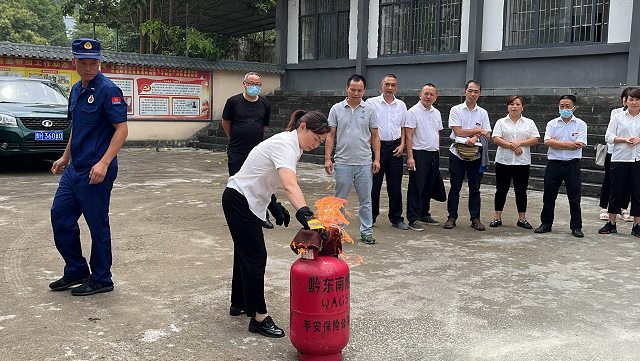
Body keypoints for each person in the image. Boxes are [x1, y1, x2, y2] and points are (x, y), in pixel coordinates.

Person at [222, 110, 330, 338]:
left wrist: (273, 204)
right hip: (240, 200)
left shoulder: (291, 144)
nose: (316, 145)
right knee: (255, 256)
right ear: (303, 128)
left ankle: (239, 302)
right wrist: (307, 215)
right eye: (316, 139)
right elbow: (291, 185)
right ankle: (259, 317)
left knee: (245, 252)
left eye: (321, 142)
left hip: (244, 198)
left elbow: (262, 173)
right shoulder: (285, 145)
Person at [48, 38, 128, 296]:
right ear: (74, 62)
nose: (88, 66)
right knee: (60, 218)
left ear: (99, 61)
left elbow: (122, 130)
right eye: (82, 61)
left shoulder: (108, 90)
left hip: (96, 171)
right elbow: (77, 129)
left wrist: (104, 163)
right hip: (74, 170)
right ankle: (76, 269)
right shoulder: (75, 90)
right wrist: (65, 158)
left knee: (97, 225)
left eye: (93, 61)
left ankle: (102, 278)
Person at [324, 74, 381, 244]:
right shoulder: (336, 109)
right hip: (342, 162)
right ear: (346, 88)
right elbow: (330, 135)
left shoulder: (369, 110)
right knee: (339, 200)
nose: (356, 93)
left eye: (360, 90)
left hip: (364, 162)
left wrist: (376, 159)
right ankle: (337, 230)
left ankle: (366, 231)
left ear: (364, 91)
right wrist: (328, 158)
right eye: (353, 89)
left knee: (366, 200)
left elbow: (376, 136)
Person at [221, 72, 277, 229]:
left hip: (258, 152)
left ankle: (262, 215)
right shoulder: (233, 102)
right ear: (244, 84)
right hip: (237, 150)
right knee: (237, 183)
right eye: (251, 84)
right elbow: (226, 122)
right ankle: (239, 215)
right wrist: (233, 137)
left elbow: (263, 125)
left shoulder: (265, 104)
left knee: (260, 183)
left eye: (257, 84)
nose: (254, 87)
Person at [534, 95, 587, 238]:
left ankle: (576, 227)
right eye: (562, 106)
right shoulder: (552, 123)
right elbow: (547, 142)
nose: (564, 109)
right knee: (549, 196)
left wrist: (557, 143)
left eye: (568, 106)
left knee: (574, 198)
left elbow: (580, 144)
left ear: (574, 108)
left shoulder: (581, 124)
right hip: (554, 164)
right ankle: (546, 223)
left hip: (572, 165)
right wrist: (569, 145)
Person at [443, 80, 491, 231]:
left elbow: (487, 133)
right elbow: (458, 131)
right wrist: (478, 131)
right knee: (455, 187)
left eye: (476, 91)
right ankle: (451, 217)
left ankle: (475, 218)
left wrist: (476, 137)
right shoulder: (456, 110)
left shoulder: (483, 113)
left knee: (475, 188)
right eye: (470, 91)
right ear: (465, 92)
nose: (473, 94)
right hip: (457, 153)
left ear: (480, 94)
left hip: (476, 155)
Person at [365, 74, 409, 230]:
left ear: (396, 87)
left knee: (395, 185)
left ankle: (396, 218)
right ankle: (370, 217)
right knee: (374, 185)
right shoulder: (371, 103)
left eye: (393, 85)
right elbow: (367, 126)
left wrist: (403, 144)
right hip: (377, 148)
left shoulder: (401, 105)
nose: (390, 88)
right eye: (387, 84)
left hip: (396, 147)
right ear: (381, 85)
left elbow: (404, 126)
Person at [489, 96, 540, 229]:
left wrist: (519, 143)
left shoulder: (529, 122)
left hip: (522, 162)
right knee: (501, 190)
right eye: (512, 104)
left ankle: (522, 219)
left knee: (521, 191)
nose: (514, 106)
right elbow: (496, 139)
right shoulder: (501, 122)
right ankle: (497, 217)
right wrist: (512, 146)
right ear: (508, 107)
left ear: (522, 107)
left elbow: (535, 139)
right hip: (503, 161)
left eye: (518, 104)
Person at [598, 87, 640, 237]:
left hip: (637, 159)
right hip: (619, 158)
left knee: (637, 193)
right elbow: (608, 136)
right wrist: (623, 139)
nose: (634, 102)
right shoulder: (618, 117)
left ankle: (637, 225)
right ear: (625, 101)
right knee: (615, 191)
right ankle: (611, 223)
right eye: (631, 99)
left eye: (637, 99)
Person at [405, 83, 443, 231]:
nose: (428, 96)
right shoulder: (413, 112)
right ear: (420, 95)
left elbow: (437, 134)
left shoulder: (437, 113)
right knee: (416, 186)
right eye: (425, 93)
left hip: (433, 154)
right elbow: (409, 136)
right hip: (418, 153)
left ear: (435, 97)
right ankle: (412, 218)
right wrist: (410, 157)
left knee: (429, 185)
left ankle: (423, 213)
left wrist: (438, 151)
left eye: (431, 94)